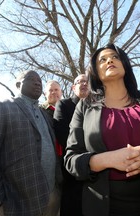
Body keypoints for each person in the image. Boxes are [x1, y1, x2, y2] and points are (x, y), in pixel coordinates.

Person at [64, 43, 140, 216]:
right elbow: (71, 160)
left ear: (124, 64)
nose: (110, 60)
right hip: (105, 206)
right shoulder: (85, 106)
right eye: (103, 60)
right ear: (95, 71)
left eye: (115, 57)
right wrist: (108, 159)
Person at [0, 70, 62, 216]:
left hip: (52, 199)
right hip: (17, 204)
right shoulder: (1, 107)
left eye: (39, 80)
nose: (37, 82)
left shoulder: (46, 114)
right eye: (31, 79)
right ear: (17, 84)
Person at [53, 74, 89, 216]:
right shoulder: (64, 105)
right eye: (79, 82)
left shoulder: (99, 106)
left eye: (86, 81)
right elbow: (62, 133)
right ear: (73, 87)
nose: (83, 84)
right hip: (73, 168)